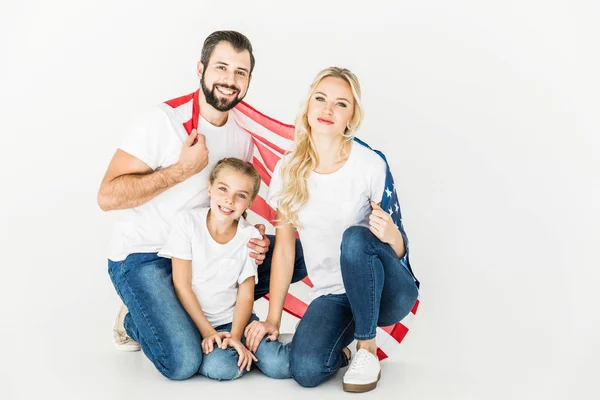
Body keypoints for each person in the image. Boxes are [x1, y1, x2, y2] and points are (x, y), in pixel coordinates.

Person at [97, 30, 306, 380]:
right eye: (221, 68)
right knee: (182, 364)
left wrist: (253, 237)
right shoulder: (162, 120)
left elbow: (231, 202)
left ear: (249, 80)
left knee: (297, 254)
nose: (230, 80)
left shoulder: (242, 135)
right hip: (146, 256)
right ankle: (136, 318)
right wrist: (181, 170)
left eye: (240, 72)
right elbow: (108, 196)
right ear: (201, 69)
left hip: (208, 257)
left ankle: (203, 318)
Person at [243, 67, 420, 393]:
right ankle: (341, 351)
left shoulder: (369, 165)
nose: (327, 109)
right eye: (320, 99)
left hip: (386, 290)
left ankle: (367, 350)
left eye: (340, 104)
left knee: (354, 238)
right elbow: (284, 250)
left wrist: (392, 234)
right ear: (308, 106)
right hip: (335, 294)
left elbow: (397, 251)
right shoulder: (288, 169)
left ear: (351, 117)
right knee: (305, 371)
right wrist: (272, 318)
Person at [157, 158, 289, 381]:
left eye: (240, 195)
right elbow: (182, 284)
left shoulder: (250, 236)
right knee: (222, 367)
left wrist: (236, 336)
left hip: (234, 319)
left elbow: (246, 294)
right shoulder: (187, 222)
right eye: (223, 189)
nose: (229, 200)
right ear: (210, 188)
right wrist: (208, 332)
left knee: (281, 366)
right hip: (193, 321)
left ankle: (274, 347)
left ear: (249, 203)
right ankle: (134, 324)